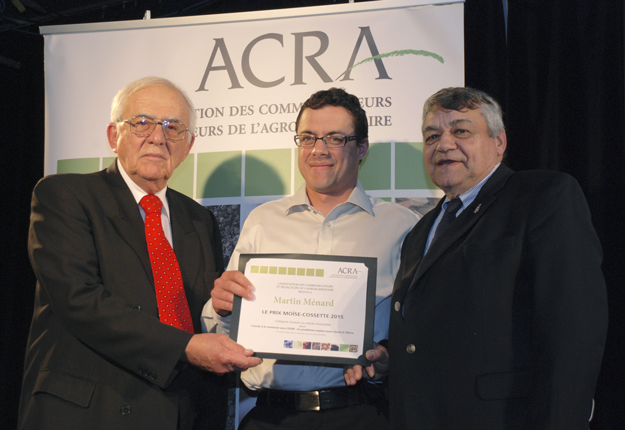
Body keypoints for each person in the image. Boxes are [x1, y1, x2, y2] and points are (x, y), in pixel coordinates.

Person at [18, 76, 261, 430]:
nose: (158, 137)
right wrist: (186, 347)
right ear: (113, 136)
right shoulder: (65, 195)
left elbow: (200, 314)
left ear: (188, 145)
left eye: (173, 127)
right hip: (90, 411)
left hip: (181, 412)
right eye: (142, 122)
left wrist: (223, 310)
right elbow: (79, 299)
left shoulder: (199, 220)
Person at [388, 87, 608, 429]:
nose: (444, 144)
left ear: (499, 142)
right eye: (432, 135)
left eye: (461, 131)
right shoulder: (420, 232)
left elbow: (573, 331)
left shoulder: (541, 197)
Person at [201, 87, 419, 429]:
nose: (319, 150)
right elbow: (221, 328)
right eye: (308, 137)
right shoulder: (263, 220)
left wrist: (389, 358)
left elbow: (420, 330)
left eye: (335, 138)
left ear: (361, 148)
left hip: (361, 414)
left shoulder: (401, 227)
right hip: (270, 417)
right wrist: (222, 306)